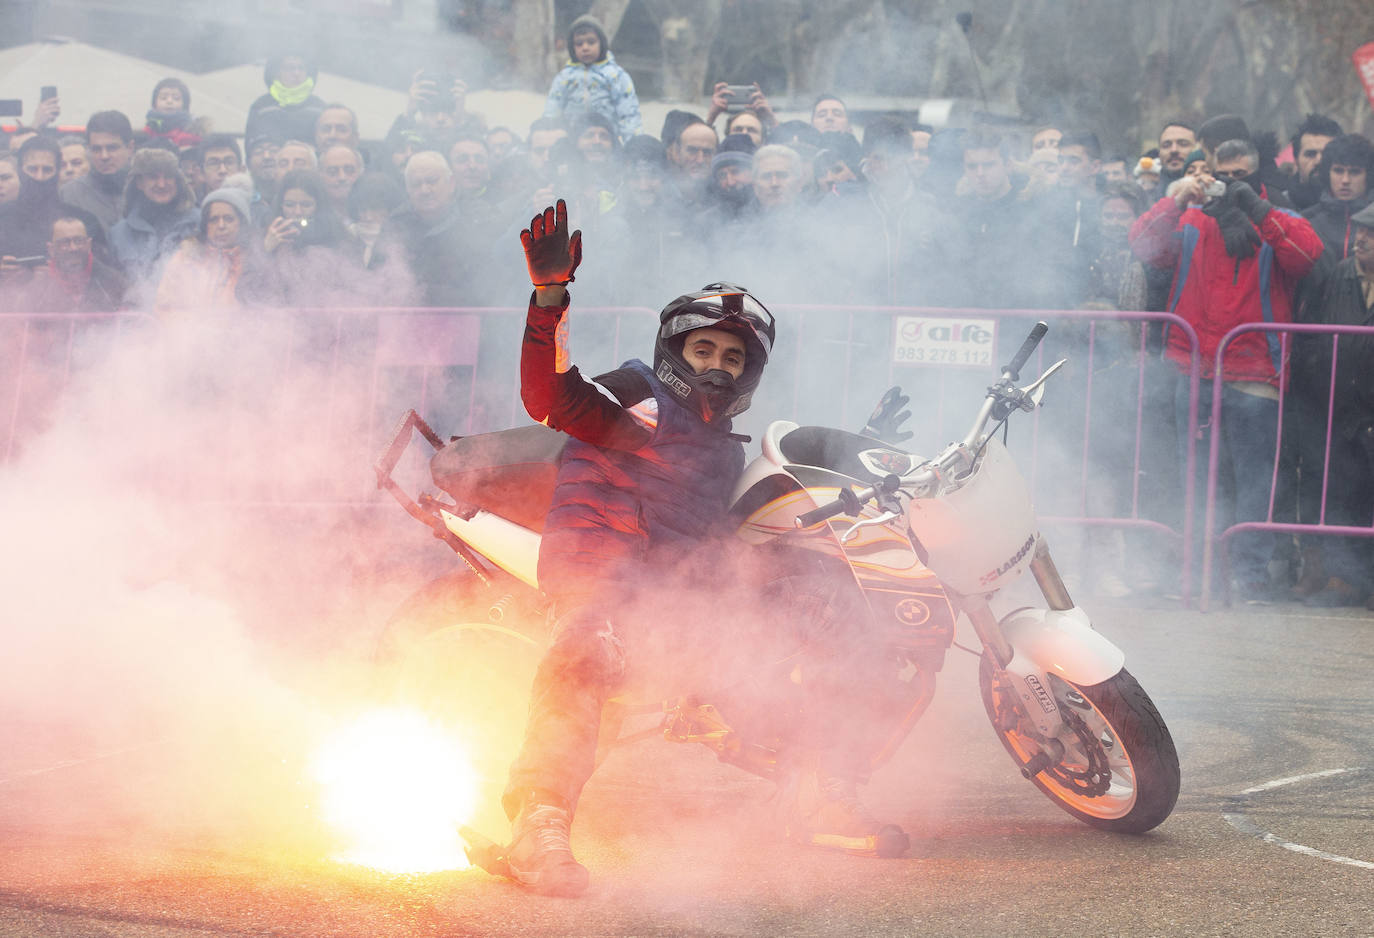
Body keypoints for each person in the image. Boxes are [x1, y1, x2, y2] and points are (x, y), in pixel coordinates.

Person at [495, 200, 906, 897]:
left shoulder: (721, 444)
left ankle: (818, 788)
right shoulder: (640, 396)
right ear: (675, 353)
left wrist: (856, 445)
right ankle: (537, 825)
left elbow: (736, 531)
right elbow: (551, 397)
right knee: (586, 651)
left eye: (733, 357)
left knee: (832, 597)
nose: (717, 366)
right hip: (602, 574)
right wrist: (549, 296)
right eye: (704, 351)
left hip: (681, 595)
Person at [1129, 137, 1323, 597]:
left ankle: (1249, 576)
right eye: (1224, 174)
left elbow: (1308, 256)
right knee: (1195, 481)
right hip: (1194, 369)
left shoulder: (1279, 221)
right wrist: (1175, 198)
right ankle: (1197, 573)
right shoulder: (1193, 219)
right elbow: (1142, 245)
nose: (1232, 184)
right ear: (1210, 172)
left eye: (1243, 176)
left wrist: (1257, 210)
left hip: (1255, 373)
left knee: (1258, 483)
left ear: (1258, 177)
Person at [1289, 202, 1374, 608]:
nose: (1362, 238)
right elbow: (1312, 333)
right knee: (1340, 494)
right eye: (1360, 230)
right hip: (1339, 407)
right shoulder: (1338, 275)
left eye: (1371, 233)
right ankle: (1347, 578)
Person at [108, 146, 199, 301]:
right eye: (153, 177)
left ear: (178, 181)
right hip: (139, 319)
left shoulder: (199, 223)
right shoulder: (118, 233)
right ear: (139, 182)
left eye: (168, 176)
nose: (162, 184)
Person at [154, 186, 254, 316]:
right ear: (205, 225)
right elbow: (164, 308)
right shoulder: (184, 259)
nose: (221, 225)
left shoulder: (253, 263)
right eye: (214, 219)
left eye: (229, 219)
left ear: (242, 223)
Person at [542, 14, 642, 143]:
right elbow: (553, 109)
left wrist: (633, 144)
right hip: (573, 140)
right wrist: (548, 136)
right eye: (579, 43)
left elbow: (629, 114)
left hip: (607, 140)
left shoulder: (616, 75)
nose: (585, 47)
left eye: (591, 42)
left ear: (602, 44)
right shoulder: (565, 77)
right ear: (572, 48)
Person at [4, 213, 125, 312]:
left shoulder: (114, 281)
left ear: (89, 245)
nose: (73, 248)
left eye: (79, 241)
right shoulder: (38, 288)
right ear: (51, 249)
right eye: (64, 242)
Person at [58, 110, 135, 236]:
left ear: (130, 148)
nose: (104, 156)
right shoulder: (70, 194)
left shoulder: (147, 187)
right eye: (96, 149)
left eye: (112, 148)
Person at [246, 52, 327, 146]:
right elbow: (251, 145)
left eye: (301, 68)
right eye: (289, 68)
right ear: (276, 73)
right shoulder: (261, 106)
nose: (296, 73)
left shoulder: (319, 107)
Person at [1283, 113, 1343, 211]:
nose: (1319, 161)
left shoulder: (1357, 210)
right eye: (1310, 154)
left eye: (1327, 153)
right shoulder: (1279, 208)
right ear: (1296, 160)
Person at [142, 77, 205, 149]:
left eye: (176, 98)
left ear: (185, 105)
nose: (169, 101)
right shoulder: (146, 134)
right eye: (163, 98)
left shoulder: (194, 136)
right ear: (154, 104)